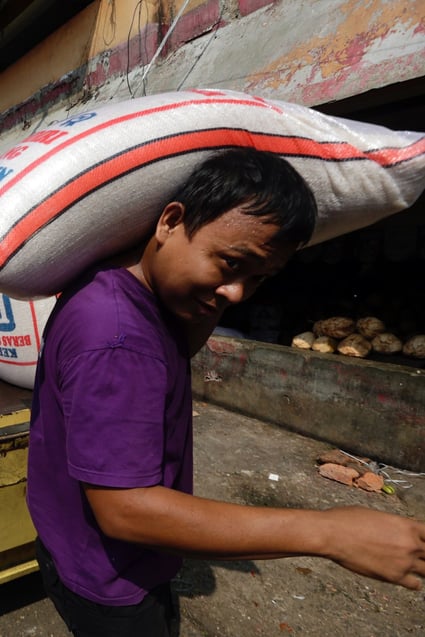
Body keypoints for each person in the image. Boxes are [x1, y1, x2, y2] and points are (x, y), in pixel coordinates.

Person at [27, 147, 425, 637]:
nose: (237, 293)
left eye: (258, 278)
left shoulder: (125, 285)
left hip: (72, 544)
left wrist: (212, 289)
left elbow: (182, 350)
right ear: (170, 221)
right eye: (231, 262)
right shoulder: (119, 339)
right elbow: (127, 510)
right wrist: (329, 533)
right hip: (110, 581)